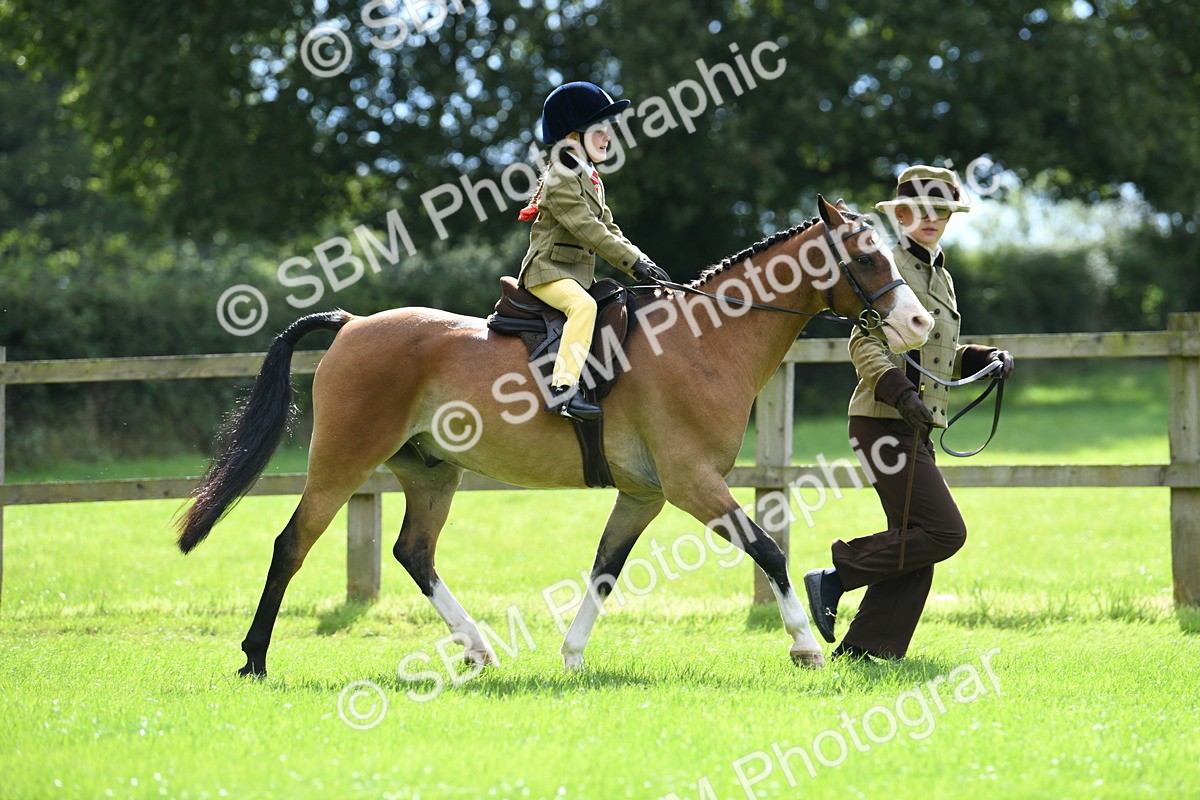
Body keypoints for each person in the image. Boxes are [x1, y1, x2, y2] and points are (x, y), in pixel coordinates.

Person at [804, 165, 1015, 661]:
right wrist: (900, 394)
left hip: (915, 424)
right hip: (882, 421)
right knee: (944, 532)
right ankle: (836, 576)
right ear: (900, 216)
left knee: (915, 541)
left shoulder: (942, 274)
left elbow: (936, 352)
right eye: (920, 211)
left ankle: (865, 649)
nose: (932, 219)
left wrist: (982, 358)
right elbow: (864, 342)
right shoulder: (889, 265)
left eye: (942, 211)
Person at [516, 81, 669, 421]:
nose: (607, 137)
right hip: (548, 271)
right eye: (599, 130)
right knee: (583, 306)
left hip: (574, 274)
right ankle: (563, 391)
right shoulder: (561, 177)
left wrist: (642, 260)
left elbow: (610, 227)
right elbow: (589, 228)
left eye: (608, 130)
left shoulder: (590, 178)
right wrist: (632, 261)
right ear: (573, 136)